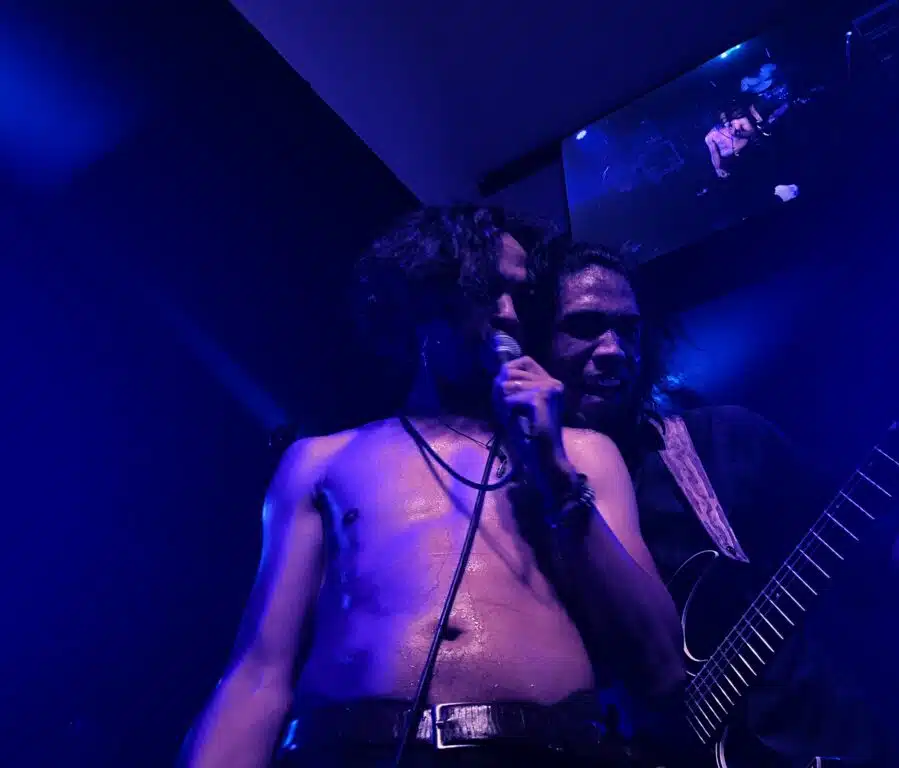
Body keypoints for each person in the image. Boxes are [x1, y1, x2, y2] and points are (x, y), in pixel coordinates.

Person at [178, 207, 688, 768]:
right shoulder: (321, 462)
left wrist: (555, 474)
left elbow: (663, 667)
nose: (510, 315)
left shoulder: (585, 454)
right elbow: (258, 675)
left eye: (522, 297)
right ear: (423, 300)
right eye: (487, 291)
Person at [523, 240, 899, 766]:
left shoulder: (726, 442)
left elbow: (888, 571)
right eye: (584, 326)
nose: (613, 349)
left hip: (821, 747)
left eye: (628, 329)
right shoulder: (516, 502)